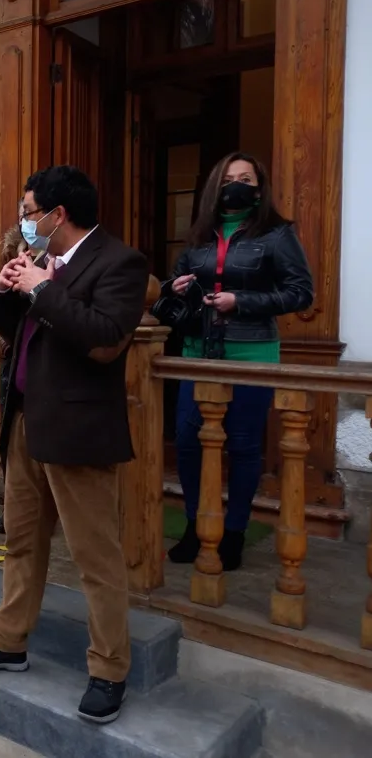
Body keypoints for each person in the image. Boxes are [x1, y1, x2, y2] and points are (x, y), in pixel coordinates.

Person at [0, 166, 148, 725]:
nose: (23, 222)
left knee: (95, 558)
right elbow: (19, 334)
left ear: (59, 215)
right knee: (21, 542)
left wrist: (42, 288)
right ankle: (7, 639)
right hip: (26, 422)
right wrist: (8, 288)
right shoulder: (42, 263)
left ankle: (110, 669)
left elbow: (105, 340)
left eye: (29, 212)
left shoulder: (119, 263)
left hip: (78, 430)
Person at [164, 152, 313, 571]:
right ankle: (195, 525)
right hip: (197, 353)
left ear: (258, 187)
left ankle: (234, 532)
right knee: (189, 442)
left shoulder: (278, 234)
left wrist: (240, 301)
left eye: (245, 178)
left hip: (252, 354)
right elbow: (174, 282)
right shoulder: (198, 235)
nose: (237, 184)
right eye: (229, 178)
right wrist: (175, 286)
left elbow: (301, 292)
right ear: (216, 185)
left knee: (245, 446)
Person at [0, 208, 38, 536]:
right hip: (15, 359)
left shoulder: (63, 256)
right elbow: (4, 315)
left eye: (33, 210)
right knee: (11, 438)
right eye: (23, 211)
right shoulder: (15, 252)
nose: (27, 218)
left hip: (48, 361)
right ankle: (13, 504)